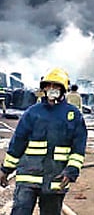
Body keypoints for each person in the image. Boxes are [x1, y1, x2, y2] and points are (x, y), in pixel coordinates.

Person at [0, 67, 87, 215]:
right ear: (44, 88)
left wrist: (71, 170)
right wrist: (5, 170)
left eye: (56, 86)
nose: (52, 89)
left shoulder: (73, 115)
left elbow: (78, 148)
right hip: (27, 177)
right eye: (48, 85)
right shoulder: (32, 113)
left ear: (63, 89)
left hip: (55, 179)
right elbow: (17, 144)